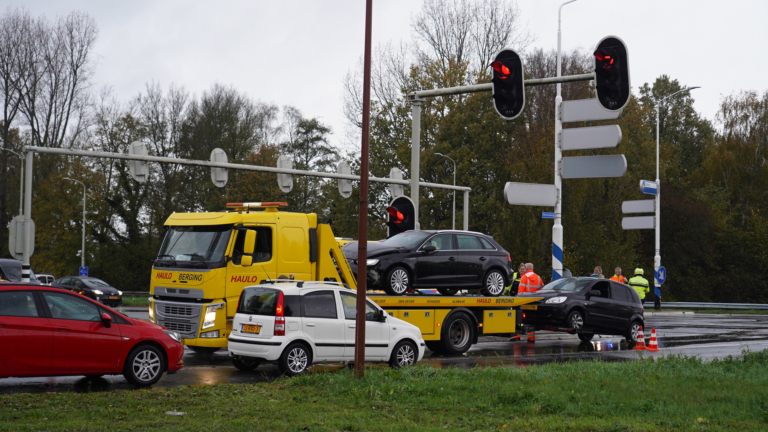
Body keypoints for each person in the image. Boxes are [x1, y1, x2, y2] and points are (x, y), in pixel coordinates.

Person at [518, 263, 543, 343]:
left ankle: (517, 335)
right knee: (531, 320)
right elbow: (543, 290)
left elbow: (520, 292)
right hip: (535, 302)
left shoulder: (524, 277)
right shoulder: (538, 278)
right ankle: (531, 338)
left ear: (527, 268)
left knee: (521, 319)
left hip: (525, 302)